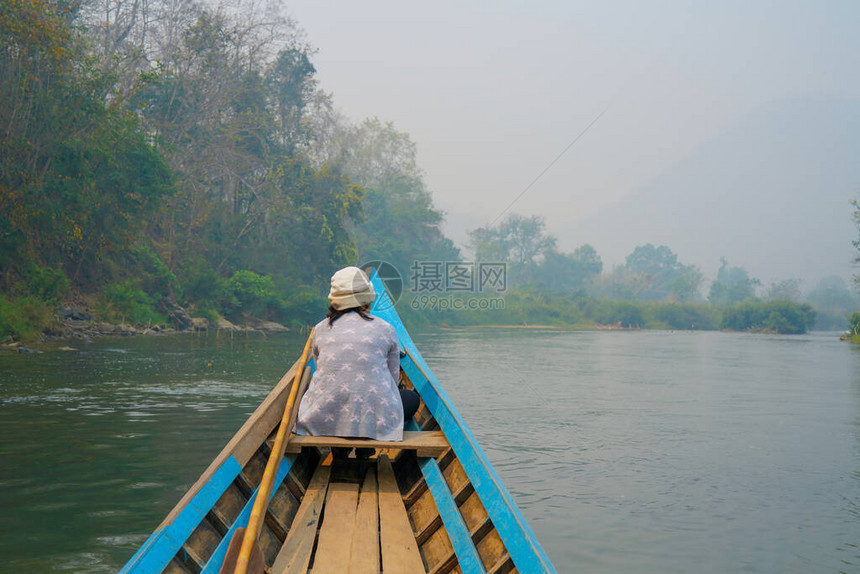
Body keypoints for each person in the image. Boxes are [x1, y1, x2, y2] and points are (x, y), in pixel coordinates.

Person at [295, 267, 419, 453]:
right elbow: (392, 382)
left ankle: (340, 450)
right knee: (411, 399)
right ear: (367, 298)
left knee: (325, 394)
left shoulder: (320, 329)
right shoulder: (386, 328)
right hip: (374, 419)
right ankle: (366, 446)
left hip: (322, 418)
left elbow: (322, 371)